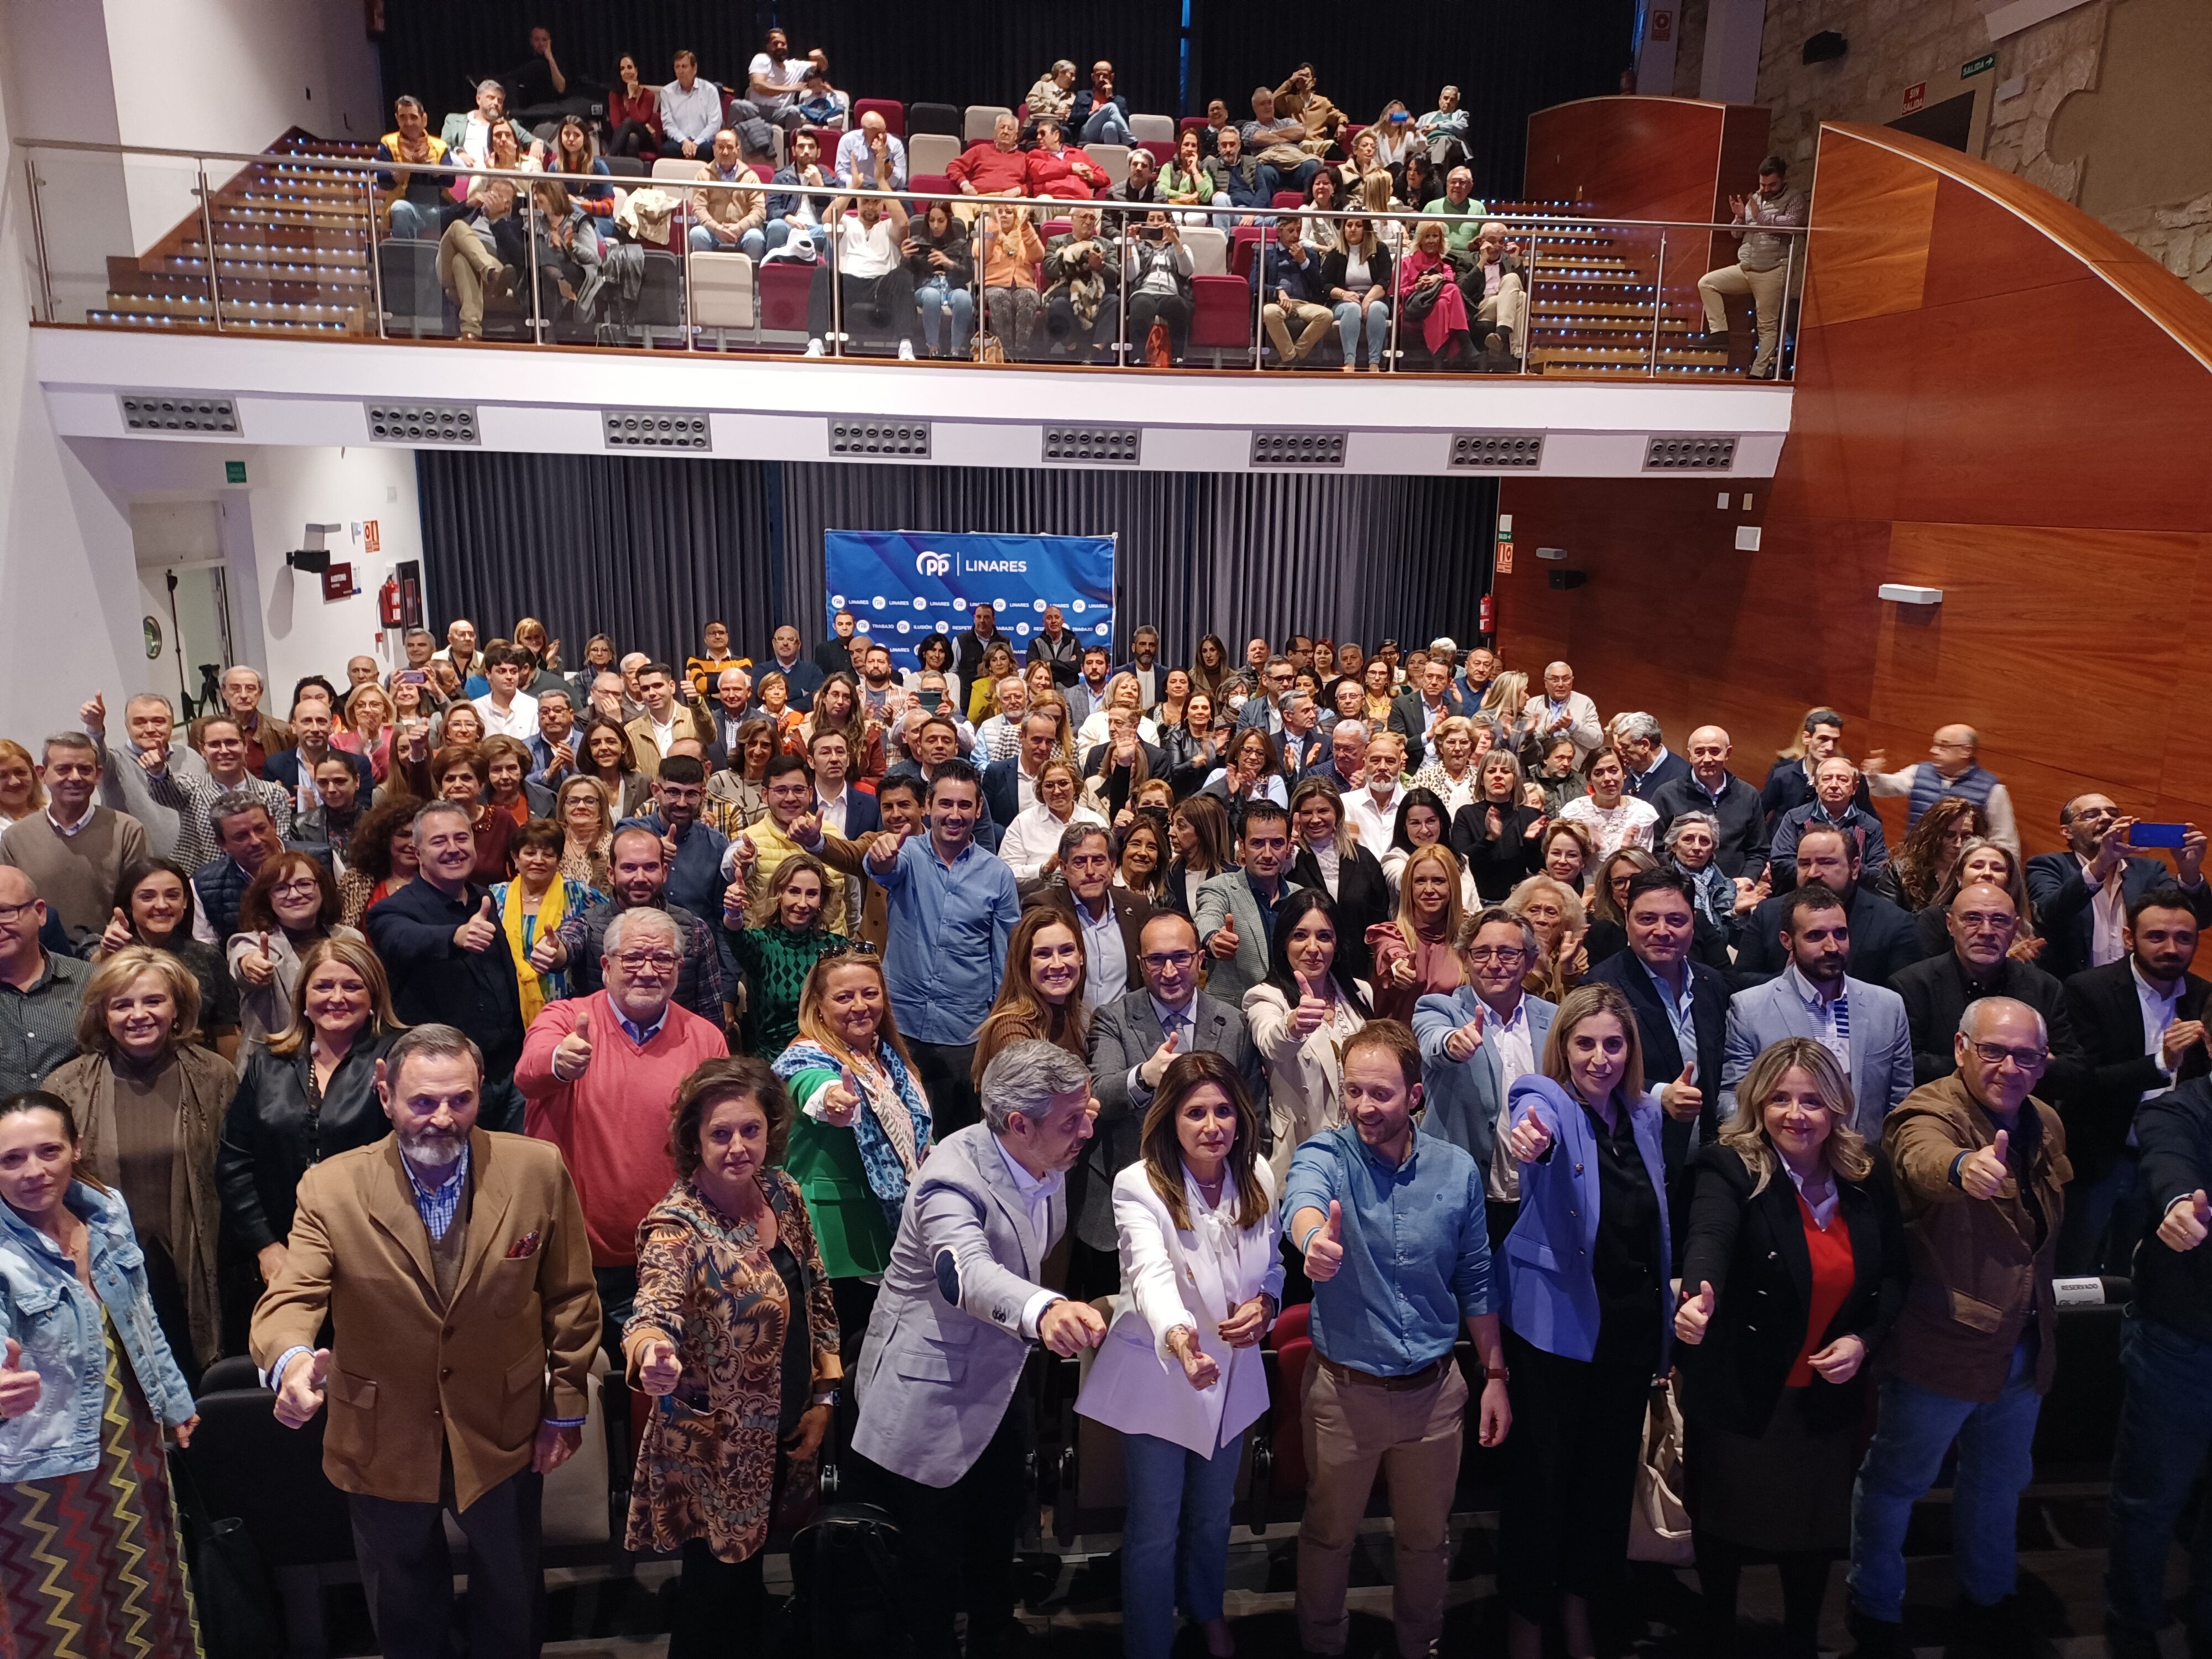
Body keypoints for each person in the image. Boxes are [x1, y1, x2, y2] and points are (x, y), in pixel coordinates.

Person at [252, 1023, 597, 1659]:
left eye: (460, 1100)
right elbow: (293, 1295)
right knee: (404, 1611)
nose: (442, 1118)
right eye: (422, 1102)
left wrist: (565, 1408)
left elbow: (572, 1297)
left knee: (513, 1603)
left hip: (504, 1427)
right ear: (385, 1095)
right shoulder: (331, 1187)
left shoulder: (536, 1169)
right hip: (382, 1434)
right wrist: (293, 1362)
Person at [847, 1040, 1105, 1659]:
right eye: (1072, 1120)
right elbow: (962, 1274)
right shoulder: (949, 1181)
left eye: (1087, 1111)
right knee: (931, 1559)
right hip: (928, 1390)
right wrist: (1043, 1309)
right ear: (1019, 1123)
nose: (1087, 1128)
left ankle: (993, 1629)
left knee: (997, 1526)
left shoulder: (1045, 1156)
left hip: (996, 1377)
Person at [1846, 997, 2068, 1653]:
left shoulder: (2048, 1122)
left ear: (2043, 1062)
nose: (2009, 1067)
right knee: (1896, 1482)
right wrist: (1961, 1168)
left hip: (2025, 1345)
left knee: (2000, 1483)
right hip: (1942, 1343)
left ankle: (1989, 1598)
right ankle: (1875, 1607)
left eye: (2025, 1055)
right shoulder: (1927, 1111)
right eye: (1994, 1051)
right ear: (1962, 1047)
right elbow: (1919, 1156)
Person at [1284, 1020, 1510, 1658]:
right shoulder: (1326, 1153)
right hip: (1344, 1393)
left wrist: (1495, 1375)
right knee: (1328, 1536)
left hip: (1435, 1396)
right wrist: (1314, 1241)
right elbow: (1301, 1198)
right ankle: (1321, 1647)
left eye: (1379, 1094)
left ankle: (1421, 1646)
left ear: (1414, 1095)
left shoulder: (1457, 1170)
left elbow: (1475, 1277)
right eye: (1352, 1091)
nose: (1362, 1107)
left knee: (1424, 1541)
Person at [1674, 1038, 1908, 1656]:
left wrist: (1863, 1340)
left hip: (1825, 1400)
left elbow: (1892, 1277)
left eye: (1811, 1101)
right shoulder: (1729, 1165)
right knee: (1723, 1531)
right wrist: (1700, 1296)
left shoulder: (1864, 1173)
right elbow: (1710, 1237)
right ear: (1757, 1102)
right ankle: (1718, 1636)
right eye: (1779, 1099)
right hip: (1744, 1388)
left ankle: (1801, 1640)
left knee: (1813, 1535)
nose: (1795, 1115)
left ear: (1836, 1107)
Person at [619, 1056, 838, 1656]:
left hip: (785, 1430)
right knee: (715, 1595)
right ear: (693, 1139)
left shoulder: (782, 1192)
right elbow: (651, 1309)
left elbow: (816, 1294)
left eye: (751, 1130)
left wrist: (824, 1395)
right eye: (720, 1134)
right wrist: (651, 1352)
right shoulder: (677, 1225)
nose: (738, 1147)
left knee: (753, 1580)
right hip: (719, 1446)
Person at [1078, 1050, 1281, 1659]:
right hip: (1165, 1374)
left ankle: (1206, 1609)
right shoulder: (1137, 1183)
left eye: (1223, 1111)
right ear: (1170, 1119)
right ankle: (1149, 1642)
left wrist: (1268, 1303)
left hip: (1234, 1371)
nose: (1212, 1125)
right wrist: (1179, 1337)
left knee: (1214, 1512)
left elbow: (1270, 1262)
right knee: (1154, 1527)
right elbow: (1149, 1275)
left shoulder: (1260, 1173)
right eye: (1196, 1113)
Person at [1498, 982, 1673, 1659]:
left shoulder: (1643, 1116)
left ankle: (1576, 1609)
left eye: (1613, 1043)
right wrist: (1530, 1140)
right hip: (1556, 1332)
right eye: (1584, 1043)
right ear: (1562, 1046)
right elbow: (1528, 1120)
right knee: (1543, 1485)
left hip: (1627, 1331)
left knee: (1603, 1485)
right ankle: (1525, 1620)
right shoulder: (1545, 1101)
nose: (1599, 1058)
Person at [0, 1089, 201, 1654]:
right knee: (65, 1618)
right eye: (11, 1159)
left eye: (48, 1151)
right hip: (41, 1462)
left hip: (129, 1435)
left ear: (75, 1148)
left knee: (152, 1596)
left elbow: (141, 1316)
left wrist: (174, 1400)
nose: (33, 1172)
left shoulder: (106, 1211)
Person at [217, 936, 403, 1314]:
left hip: (376, 1256)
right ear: (303, 997)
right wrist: (266, 1246)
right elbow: (234, 1163)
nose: (337, 997)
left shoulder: (402, 1059)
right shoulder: (266, 1063)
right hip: (278, 1258)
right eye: (323, 986)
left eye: (353, 986)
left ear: (374, 998)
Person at [772, 952, 931, 1389]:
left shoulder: (888, 1058)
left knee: (876, 1368)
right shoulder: (806, 1056)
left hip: (893, 1233)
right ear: (819, 1006)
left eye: (870, 993)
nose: (860, 1005)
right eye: (844, 997)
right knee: (836, 1369)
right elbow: (813, 1087)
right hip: (836, 1241)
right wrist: (833, 1102)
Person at [2107, 1051, 2212, 1654]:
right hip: (2180, 1338)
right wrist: (2177, 1207)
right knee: (2150, 1496)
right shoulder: (2176, 1109)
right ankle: (2132, 1623)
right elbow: (2170, 1167)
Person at [2059, 885, 2210, 1276]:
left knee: (2141, 1273)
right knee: (2075, 1269)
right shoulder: (2087, 990)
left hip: (2169, 1165)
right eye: (2157, 936)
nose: (2171, 948)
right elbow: (2080, 1082)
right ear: (2129, 938)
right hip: (2102, 1157)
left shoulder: (2203, 997)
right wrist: (2160, 1062)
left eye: (2183, 938)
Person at [868, 760, 1020, 1135]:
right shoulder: (906, 854)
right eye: (946, 804)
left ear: (979, 809)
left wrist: (999, 1029)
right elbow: (882, 868)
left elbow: (1005, 961)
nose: (955, 815)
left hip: (964, 1035)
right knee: (895, 1135)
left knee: (958, 1140)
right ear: (928, 806)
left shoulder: (998, 875)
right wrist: (880, 856)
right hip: (900, 1027)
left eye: (964, 805)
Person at [1723, 884, 1915, 1145]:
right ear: (1787, 941)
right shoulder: (1750, 1009)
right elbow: (1733, 1097)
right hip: (1781, 1162)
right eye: (1815, 936)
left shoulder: (1888, 1006)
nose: (1832, 947)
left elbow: (1900, 1098)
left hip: (1865, 1164)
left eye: (1841, 934)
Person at [364, 802, 529, 1103]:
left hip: (509, 1072)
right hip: (445, 1084)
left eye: (461, 838)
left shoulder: (483, 897)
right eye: (439, 841)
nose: (453, 848)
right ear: (417, 853)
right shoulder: (391, 911)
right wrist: (454, 936)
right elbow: (402, 939)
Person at [1415, 907, 1555, 1245]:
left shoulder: (1553, 1019)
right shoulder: (1438, 1008)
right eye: (1482, 953)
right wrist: (1453, 1043)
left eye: (1508, 953)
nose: (1494, 964)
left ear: (1529, 960)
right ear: (1465, 958)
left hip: (1535, 1198)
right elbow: (1432, 1041)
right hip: (1456, 1197)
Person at [1587, 867, 1729, 1173]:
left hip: (1706, 1164)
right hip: (1631, 1165)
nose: (1662, 931)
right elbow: (1588, 1075)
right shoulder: (1600, 987)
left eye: (1676, 920)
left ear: (1693, 922)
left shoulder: (1711, 983)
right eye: (1647, 919)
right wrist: (1660, 1094)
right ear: (1627, 919)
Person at [1891, 881, 2084, 1089]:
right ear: (1950, 925)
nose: (1986, 931)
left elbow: (2074, 1070)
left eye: (1999, 920)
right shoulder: (1912, 985)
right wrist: (2026, 1062)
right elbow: (1907, 1065)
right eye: (1973, 919)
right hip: (1943, 1111)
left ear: (2015, 928)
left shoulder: (2044, 987)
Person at [1244, 888, 1371, 1181]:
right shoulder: (1265, 997)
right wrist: (1294, 1025)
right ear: (1283, 943)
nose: (1313, 947)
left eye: (1324, 936)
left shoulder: (1361, 993)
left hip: (1362, 1148)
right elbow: (1270, 1042)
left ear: (1337, 944)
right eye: (1300, 935)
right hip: (1302, 1150)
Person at [539, 825, 725, 1024]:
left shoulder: (695, 930)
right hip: (604, 1045)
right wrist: (555, 951)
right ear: (612, 874)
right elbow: (567, 942)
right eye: (629, 868)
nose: (640, 878)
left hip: (677, 1048)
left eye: (650, 867)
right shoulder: (590, 924)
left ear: (664, 872)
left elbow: (711, 1018)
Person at [2026, 793, 2212, 980]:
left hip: (2134, 992)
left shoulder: (2150, 871)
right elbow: (2047, 916)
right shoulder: (2048, 865)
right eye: (2091, 814)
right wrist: (2100, 864)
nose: (2107, 818)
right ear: (2067, 831)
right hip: (2070, 990)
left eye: (2113, 813)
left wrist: (2190, 872)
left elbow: (2199, 920)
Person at [0, 733, 149, 949]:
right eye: (63, 769)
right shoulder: (15, 838)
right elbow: (8, 908)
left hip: (113, 959)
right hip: (42, 963)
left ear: (98, 775)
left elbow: (139, 901)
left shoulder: (127, 830)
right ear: (42, 774)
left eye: (85, 769)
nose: (75, 777)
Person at [1736, 826, 1926, 989]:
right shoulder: (1768, 913)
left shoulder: (1895, 924)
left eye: (1826, 863)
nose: (1813, 873)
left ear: (1854, 868)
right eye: (1804, 864)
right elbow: (1739, 982)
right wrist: (1789, 980)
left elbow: (1902, 997)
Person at [93, 857, 240, 1059]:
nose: (162, 905)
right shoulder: (112, 953)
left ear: (186, 901)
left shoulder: (207, 958)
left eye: (173, 896)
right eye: (147, 897)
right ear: (129, 904)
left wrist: (230, 1080)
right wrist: (106, 955)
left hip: (199, 1071)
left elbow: (226, 1029)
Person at [1688, 156, 1808, 378]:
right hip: (1746, 266)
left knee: (1767, 325)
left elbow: (1792, 224)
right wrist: (1741, 216)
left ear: (1782, 179)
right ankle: (1720, 331)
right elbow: (1736, 233)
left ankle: (1758, 372)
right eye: (1763, 184)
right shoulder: (1755, 197)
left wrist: (1759, 215)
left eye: (1771, 184)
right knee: (1707, 283)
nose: (1766, 188)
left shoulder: (1795, 198)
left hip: (1772, 269)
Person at [228, 849, 361, 1044]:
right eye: (280, 888)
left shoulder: (351, 938)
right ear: (268, 898)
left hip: (342, 1052)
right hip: (274, 1063)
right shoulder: (251, 942)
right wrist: (251, 966)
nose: (294, 894)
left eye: (304, 884)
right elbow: (244, 961)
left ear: (322, 889)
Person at [802, 138, 919, 360]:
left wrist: (881, 180)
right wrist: (853, 188)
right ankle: (816, 342)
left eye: (876, 202)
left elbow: (904, 225)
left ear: (883, 204)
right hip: (849, 284)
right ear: (858, 202)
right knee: (821, 273)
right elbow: (828, 219)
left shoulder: (888, 226)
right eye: (866, 201)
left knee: (902, 275)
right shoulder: (846, 222)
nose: (871, 206)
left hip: (881, 285)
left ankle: (905, 345)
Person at [725, 851, 847, 1053]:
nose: (802, 903)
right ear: (779, 894)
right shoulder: (761, 944)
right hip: (773, 1065)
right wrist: (733, 911)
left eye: (811, 894)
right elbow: (734, 935)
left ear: (821, 899)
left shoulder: (837, 948)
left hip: (827, 1057)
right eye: (794, 891)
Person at [1195, 801, 1308, 1006]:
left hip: (1291, 1012)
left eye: (1276, 843)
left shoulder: (1299, 896)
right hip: (1234, 1016)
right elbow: (1207, 917)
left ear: (1288, 845)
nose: (1267, 854)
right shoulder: (1220, 887)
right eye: (1257, 843)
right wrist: (1213, 940)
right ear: (1242, 844)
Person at [1651, 725, 1770, 881]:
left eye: (1715, 751)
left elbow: (1758, 850)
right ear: (1690, 755)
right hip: (1680, 888)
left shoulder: (1749, 794)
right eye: (1699, 752)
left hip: (1734, 888)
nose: (1707, 759)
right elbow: (1655, 849)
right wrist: (1677, 880)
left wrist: (1747, 879)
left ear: (1728, 753)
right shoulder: (1666, 794)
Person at [1770, 757, 1889, 888]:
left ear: (1854, 788)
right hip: (1801, 894)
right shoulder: (1794, 818)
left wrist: (1838, 872)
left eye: (1842, 779)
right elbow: (1780, 863)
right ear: (1816, 785)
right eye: (1827, 779)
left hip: (1852, 900)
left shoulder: (1871, 826)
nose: (1834, 785)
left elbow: (1879, 873)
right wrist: (1827, 871)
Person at [1255, 216, 1332, 368]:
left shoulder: (1309, 254)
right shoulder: (1266, 252)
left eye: (1298, 230)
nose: (1296, 236)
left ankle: (1292, 356)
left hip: (1303, 304)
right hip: (1276, 303)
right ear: (1279, 232)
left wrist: (1304, 262)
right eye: (1291, 231)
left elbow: (1319, 286)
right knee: (1269, 312)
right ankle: (1291, 358)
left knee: (1326, 315)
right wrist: (1278, 291)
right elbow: (1254, 284)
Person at [905, 197, 975, 359]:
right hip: (925, 287)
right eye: (932, 220)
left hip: (953, 288)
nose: (935, 226)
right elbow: (905, 276)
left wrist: (949, 263)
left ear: (949, 221)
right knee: (931, 295)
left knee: (964, 298)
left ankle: (956, 349)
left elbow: (968, 274)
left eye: (941, 221)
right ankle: (932, 346)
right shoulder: (917, 242)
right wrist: (906, 258)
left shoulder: (961, 244)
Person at [1559, 748, 1659, 860]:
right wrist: (1587, 848)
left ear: (1624, 774)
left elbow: (1646, 864)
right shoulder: (1574, 812)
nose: (1607, 778)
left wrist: (1629, 850)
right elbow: (1562, 855)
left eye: (1613, 770)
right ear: (1590, 779)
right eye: (1599, 773)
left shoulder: (1641, 812)